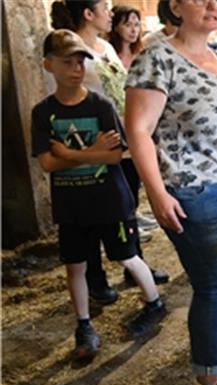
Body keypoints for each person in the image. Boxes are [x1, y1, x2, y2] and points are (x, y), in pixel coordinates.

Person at [125, 0, 217, 385]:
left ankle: (214, 348)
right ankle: (209, 379)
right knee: (215, 286)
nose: (212, 5)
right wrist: (156, 192)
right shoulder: (157, 57)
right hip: (195, 191)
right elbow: (138, 129)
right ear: (174, 6)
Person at [33, 30, 168, 363]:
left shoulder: (100, 105)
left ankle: (154, 303)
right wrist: (89, 152)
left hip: (110, 199)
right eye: (68, 62)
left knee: (127, 255)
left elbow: (113, 156)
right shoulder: (43, 112)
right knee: (75, 266)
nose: (77, 68)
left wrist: (73, 153)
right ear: (48, 65)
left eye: (81, 61)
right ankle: (83, 325)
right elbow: (48, 162)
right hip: (71, 204)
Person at [50, 0, 169, 303]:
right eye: (105, 6)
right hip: (94, 145)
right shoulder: (72, 54)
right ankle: (95, 279)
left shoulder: (106, 47)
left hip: (124, 140)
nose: (110, 12)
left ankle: (133, 263)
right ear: (89, 14)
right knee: (90, 215)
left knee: (125, 206)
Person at [109, 5, 143, 70]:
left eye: (136, 25)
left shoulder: (141, 54)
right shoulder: (109, 54)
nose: (134, 30)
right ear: (115, 27)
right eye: (128, 25)